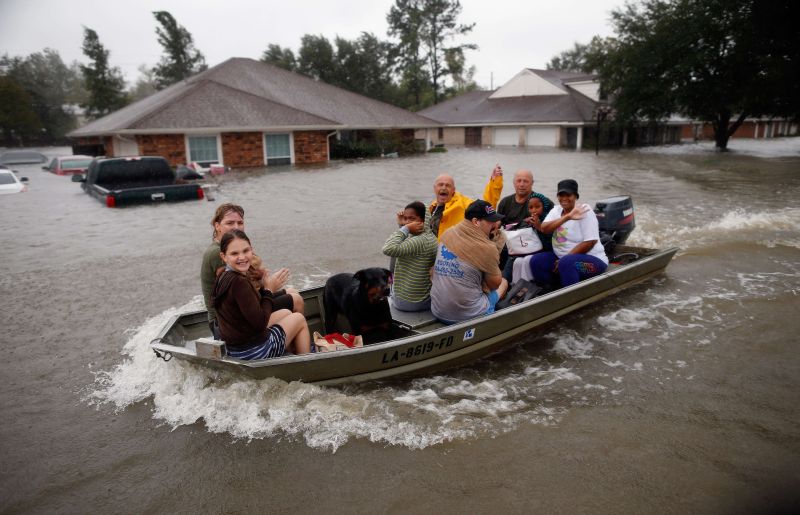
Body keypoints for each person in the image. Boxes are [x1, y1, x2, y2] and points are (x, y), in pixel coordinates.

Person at [200, 203, 303, 338]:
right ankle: (291, 347)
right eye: (230, 223)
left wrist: (263, 280)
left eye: (240, 223)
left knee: (292, 292)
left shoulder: (231, 245)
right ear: (217, 226)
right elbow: (239, 291)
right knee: (296, 300)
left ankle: (290, 341)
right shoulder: (218, 253)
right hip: (225, 324)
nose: (236, 227)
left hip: (241, 309)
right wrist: (269, 287)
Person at [213, 230, 311, 359]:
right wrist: (268, 290)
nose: (242, 257)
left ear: (251, 250)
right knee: (298, 319)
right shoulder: (239, 282)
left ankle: (290, 355)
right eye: (234, 253)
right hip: (254, 352)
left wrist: (265, 288)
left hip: (234, 349)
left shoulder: (223, 276)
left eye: (245, 251)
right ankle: (307, 364)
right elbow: (261, 324)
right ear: (224, 256)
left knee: (286, 313)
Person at [430, 200, 509, 324]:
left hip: (437, 310)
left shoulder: (447, 233)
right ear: (475, 222)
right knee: (503, 282)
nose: (494, 225)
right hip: (467, 316)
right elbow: (494, 284)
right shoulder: (487, 248)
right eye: (490, 221)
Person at [529, 179, 608, 288]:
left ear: (575, 196)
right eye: (561, 195)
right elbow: (544, 228)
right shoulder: (556, 211)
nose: (564, 198)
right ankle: (549, 293)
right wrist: (567, 217)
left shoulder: (585, 211)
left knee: (567, 263)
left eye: (568, 195)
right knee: (536, 261)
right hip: (562, 259)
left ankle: (570, 297)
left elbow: (590, 242)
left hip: (594, 262)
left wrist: (564, 259)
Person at [382, 201, 438, 311]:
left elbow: (387, 248)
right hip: (411, 302)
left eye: (412, 219)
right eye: (405, 219)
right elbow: (404, 243)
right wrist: (403, 226)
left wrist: (405, 228)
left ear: (423, 220)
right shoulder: (429, 237)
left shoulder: (420, 241)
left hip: (407, 302)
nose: (407, 223)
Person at [428, 165, 504, 241]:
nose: (444, 188)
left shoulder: (463, 203)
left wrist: (495, 183)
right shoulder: (431, 207)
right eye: (440, 185)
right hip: (435, 250)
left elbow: (486, 206)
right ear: (434, 188)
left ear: (453, 190)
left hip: (455, 249)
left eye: (448, 185)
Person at [505, 196, 553, 283]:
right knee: (518, 261)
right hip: (532, 251)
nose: (534, 210)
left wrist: (539, 227)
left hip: (546, 252)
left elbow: (550, 244)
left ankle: (527, 286)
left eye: (537, 207)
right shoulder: (529, 221)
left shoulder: (549, 221)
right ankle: (516, 286)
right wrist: (524, 223)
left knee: (527, 260)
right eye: (531, 207)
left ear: (544, 207)